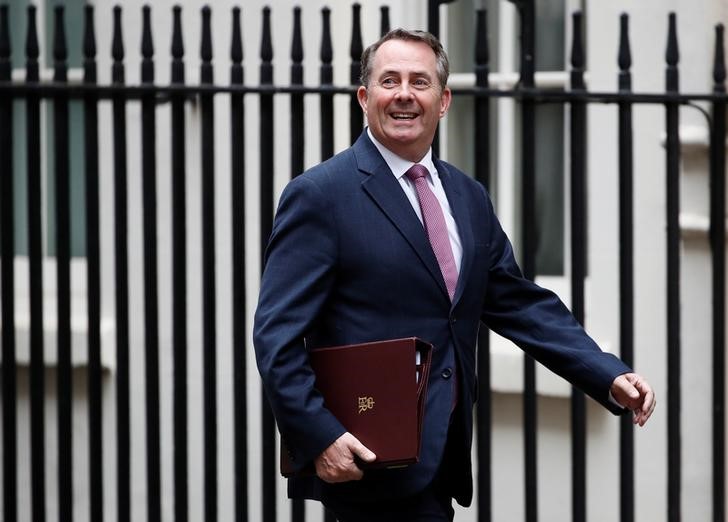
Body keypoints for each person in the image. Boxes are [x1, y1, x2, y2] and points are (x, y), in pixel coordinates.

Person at [253, 28, 655, 522]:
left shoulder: (467, 197)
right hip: (363, 463)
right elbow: (277, 336)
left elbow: (517, 301)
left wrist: (606, 372)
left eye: (419, 82)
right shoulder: (320, 195)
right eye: (389, 81)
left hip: (440, 461)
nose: (404, 94)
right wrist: (319, 435)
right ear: (364, 97)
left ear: (443, 101)